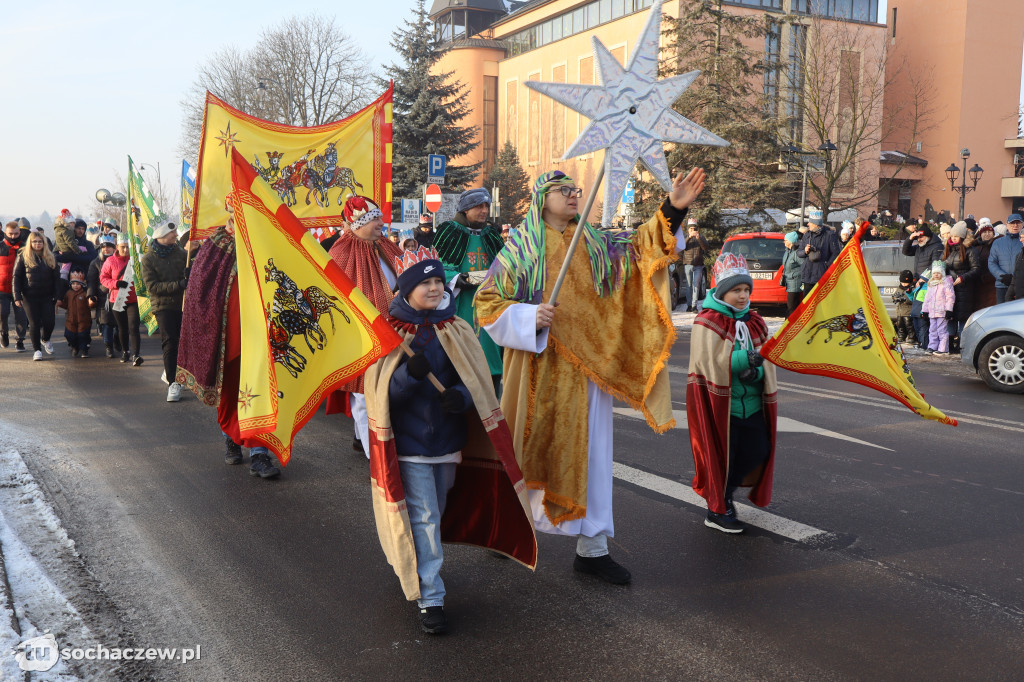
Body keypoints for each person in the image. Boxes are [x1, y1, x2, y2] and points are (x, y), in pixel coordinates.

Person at [476, 168, 705, 584]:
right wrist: (527, 316)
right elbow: (487, 302)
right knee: (530, 448)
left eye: (576, 190)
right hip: (539, 369)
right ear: (542, 198)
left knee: (593, 456)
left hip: (588, 371)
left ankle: (593, 548)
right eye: (564, 190)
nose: (573, 195)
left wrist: (672, 209)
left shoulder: (595, 242)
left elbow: (640, 250)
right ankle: (508, 527)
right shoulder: (521, 248)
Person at [177, 199, 281, 479]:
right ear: (231, 215)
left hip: (260, 335)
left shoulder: (265, 242)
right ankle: (231, 437)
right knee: (230, 391)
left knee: (260, 392)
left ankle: (259, 452)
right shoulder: (215, 245)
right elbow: (200, 292)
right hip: (227, 335)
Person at [688, 252, 778, 533]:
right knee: (721, 458)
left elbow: (766, 364)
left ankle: (723, 495)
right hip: (723, 410)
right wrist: (745, 360)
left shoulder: (755, 321)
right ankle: (718, 508)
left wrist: (757, 372)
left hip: (751, 407)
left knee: (758, 451)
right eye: (736, 290)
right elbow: (709, 363)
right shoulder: (707, 321)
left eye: (746, 289)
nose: (743, 295)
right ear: (723, 291)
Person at [326, 196, 404, 457]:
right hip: (360, 338)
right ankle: (375, 456)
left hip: (396, 332)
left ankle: (374, 444)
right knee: (362, 396)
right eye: (374, 219)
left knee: (388, 392)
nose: (381, 222)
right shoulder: (340, 253)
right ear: (358, 223)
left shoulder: (387, 246)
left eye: (380, 217)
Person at [433, 187, 505, 391]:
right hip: (462, 304)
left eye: (486, 206)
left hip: (490, 305)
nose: (484, 211)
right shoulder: (449, 232)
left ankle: (492, 393)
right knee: (463, 359)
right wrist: (457, 279)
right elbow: (437, 266)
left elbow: (505, 267)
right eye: (479, 207)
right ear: (466, 209)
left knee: (490, 357)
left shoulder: (492, 235)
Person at [141, 221, 188, 401]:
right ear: (161, 236)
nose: (176, 235)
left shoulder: (182, 254)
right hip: (163, 306)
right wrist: (179, 285)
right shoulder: (148, 259)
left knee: (183, 343)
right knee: (169, 342)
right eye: (172, 233)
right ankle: (172, 383)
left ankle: (171, 370)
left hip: (182, 304)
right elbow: (152, 287)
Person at [12, 231, 60, 361]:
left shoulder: (50, 257)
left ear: (44, 243)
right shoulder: (23, 256)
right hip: (29, 296)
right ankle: (37, 350)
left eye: (40, 242)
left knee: (49, 322)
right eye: (34, 242)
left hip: (47, 296)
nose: (37, 244)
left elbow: (57, 278)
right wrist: (17, 296)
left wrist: (58, 295)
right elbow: (16, 277)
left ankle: (45, 339)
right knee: (34, 323)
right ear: (30, 243)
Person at [100, 232, 143, 366]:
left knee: (133, 327)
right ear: (117, 246)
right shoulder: (110, 261)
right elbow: (103, 278)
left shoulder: (136, 259)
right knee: (122, 327)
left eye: (127, 247)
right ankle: (125, 351)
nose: (125, 249)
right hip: (117, 299)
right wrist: (116, 283)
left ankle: (136, 355)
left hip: (133, 299)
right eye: (122, 247)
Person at [943, 221, 981, 351]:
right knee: (950, 316)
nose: (953, 238)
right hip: (949, 288)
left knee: (963, 317)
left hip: (964, 288)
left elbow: (976, 269)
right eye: (952, 236)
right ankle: (949, 344)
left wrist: (963, 277)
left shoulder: (970, 250)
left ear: (963, 237)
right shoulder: (948, 248)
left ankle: (962, 344)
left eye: (957, 236)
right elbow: (942, 264)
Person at [88, 234, 122, 358]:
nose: (106, 249)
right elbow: (91, 280)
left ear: (114, 248)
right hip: (104, 297)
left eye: (108, 246)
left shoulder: (122, 260)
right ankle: (109, 347)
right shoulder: (95, 263)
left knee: (120, 324)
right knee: (107, 323)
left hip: (119, 296)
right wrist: (91, 295)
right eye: (103, 247)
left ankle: (118, 339)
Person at [797, 209, 842, 294]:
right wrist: (805, 251)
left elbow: (836, 253)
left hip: (822, 275)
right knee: (807, 300)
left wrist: (826, 265)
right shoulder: (807, 235)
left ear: (816, 224)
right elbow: (799, 253)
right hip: (808, 275)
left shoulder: (829, 235)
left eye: (810, 222)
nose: (808, 224)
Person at [1, 221, 29, 351]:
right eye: (10, 234)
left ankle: (20, 340)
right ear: (5, 233)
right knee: (2, 314)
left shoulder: (25, 248)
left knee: (21, 316)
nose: (13, 236)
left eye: (16, 234)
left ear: (20, 233)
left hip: (20, 289)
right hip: (2, 288)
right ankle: (4, 333)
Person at [57, 271, 94, 357]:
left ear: (82, 284)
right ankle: (74, 347)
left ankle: (84, 350)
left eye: (78, 284)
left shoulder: (85, 294)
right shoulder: (68, 293)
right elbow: (66, 305)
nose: (75, 286)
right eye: (73, 284)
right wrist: (60, 304)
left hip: (84, 320)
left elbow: (90, 305)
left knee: (83, 335)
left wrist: (92, 302)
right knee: (69, 335)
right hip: (71, 320)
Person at [988, 213, 1023, 304]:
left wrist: (1015, 279)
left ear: (1022, 225)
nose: (1015, 225)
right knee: (1002, 311)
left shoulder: (1023, 242)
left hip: (1020, 286)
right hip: (1001, 285)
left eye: (1018, 223)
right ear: (1007, 225)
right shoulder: (997, 242)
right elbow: (992, 262)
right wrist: (1002, 276)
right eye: (1012, 223)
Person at [922, 261, 955, 354]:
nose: (936, 275)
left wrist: (949, 310)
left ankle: (943, 349)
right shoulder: (931, 284)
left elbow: (950, 297)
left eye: (938, 273)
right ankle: (932, 346)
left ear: (942, 273)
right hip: (932, 312)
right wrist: (925, 310)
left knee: (942, 331)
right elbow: (927, 298)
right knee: (932, 330)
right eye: (934, 273)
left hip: (942, 312)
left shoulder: (946, 283)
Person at [680, 217, 708, 312]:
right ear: (688, 229)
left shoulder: (701, 237)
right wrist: (689, 237)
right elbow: (682, 247)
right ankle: (689, 305)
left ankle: (694, 306)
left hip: (698, 265)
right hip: (688, 264)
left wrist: (698, 239)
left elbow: (705, 248)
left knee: (696, 285)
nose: (693, 230)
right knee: (689, 285)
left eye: (694, 229)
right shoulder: (684, 237)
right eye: (691, 229)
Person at [779, 230, 803, 317]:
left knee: (792, 307)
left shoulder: (796, 253)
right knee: (790, 306)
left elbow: (804, 266)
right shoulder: (788, 251)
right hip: (789, 282)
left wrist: (794, 275)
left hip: (795, 283)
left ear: (790, 241)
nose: (784, 242)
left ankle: (791, 323)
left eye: (785, 240)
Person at [892, 270, 916, 344]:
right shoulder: (899, 288)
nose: (904, 284)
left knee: (909, 325)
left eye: (906, 283)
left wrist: (904, 300)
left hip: (908, 311)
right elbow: (894, 295)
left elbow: (912, 299)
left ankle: (911, 337)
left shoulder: (912, 289)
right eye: (902, 283)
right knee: (900, 325)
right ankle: (901, 336)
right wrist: (895, 298)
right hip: (900, 311)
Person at [910, 269, 929, 350]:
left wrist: (923, 311)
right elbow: (912, 299)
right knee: (917, 329)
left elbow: (927, 301)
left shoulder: (926, 289)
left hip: (921, 313)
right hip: (915, 312)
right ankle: (921, 343)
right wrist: (909, 293)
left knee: (923, 330)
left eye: (920, 280)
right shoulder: (918, 289)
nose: (917, 281)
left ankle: (925, 345)